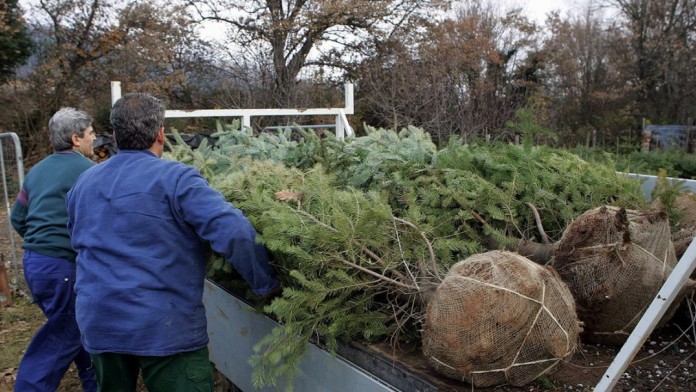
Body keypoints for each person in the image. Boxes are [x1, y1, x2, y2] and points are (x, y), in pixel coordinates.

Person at [66, 92, 279, 392]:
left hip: (99, 321)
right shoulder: (177, 179)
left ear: (113, 135)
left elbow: (77, 241)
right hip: (164, 326)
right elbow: (235, 232)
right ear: (161, 134)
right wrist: (266, 285)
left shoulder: (84, 183)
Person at [10, 108, 98, 392]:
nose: (94, 138)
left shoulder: (37, 171)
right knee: (61, 337)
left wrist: (42, 243)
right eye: (91, 133)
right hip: (63, 267)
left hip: (35, 265)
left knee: (74, 329)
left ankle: (95, 382)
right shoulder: (87, 172)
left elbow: (17, 219)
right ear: (76, 139)